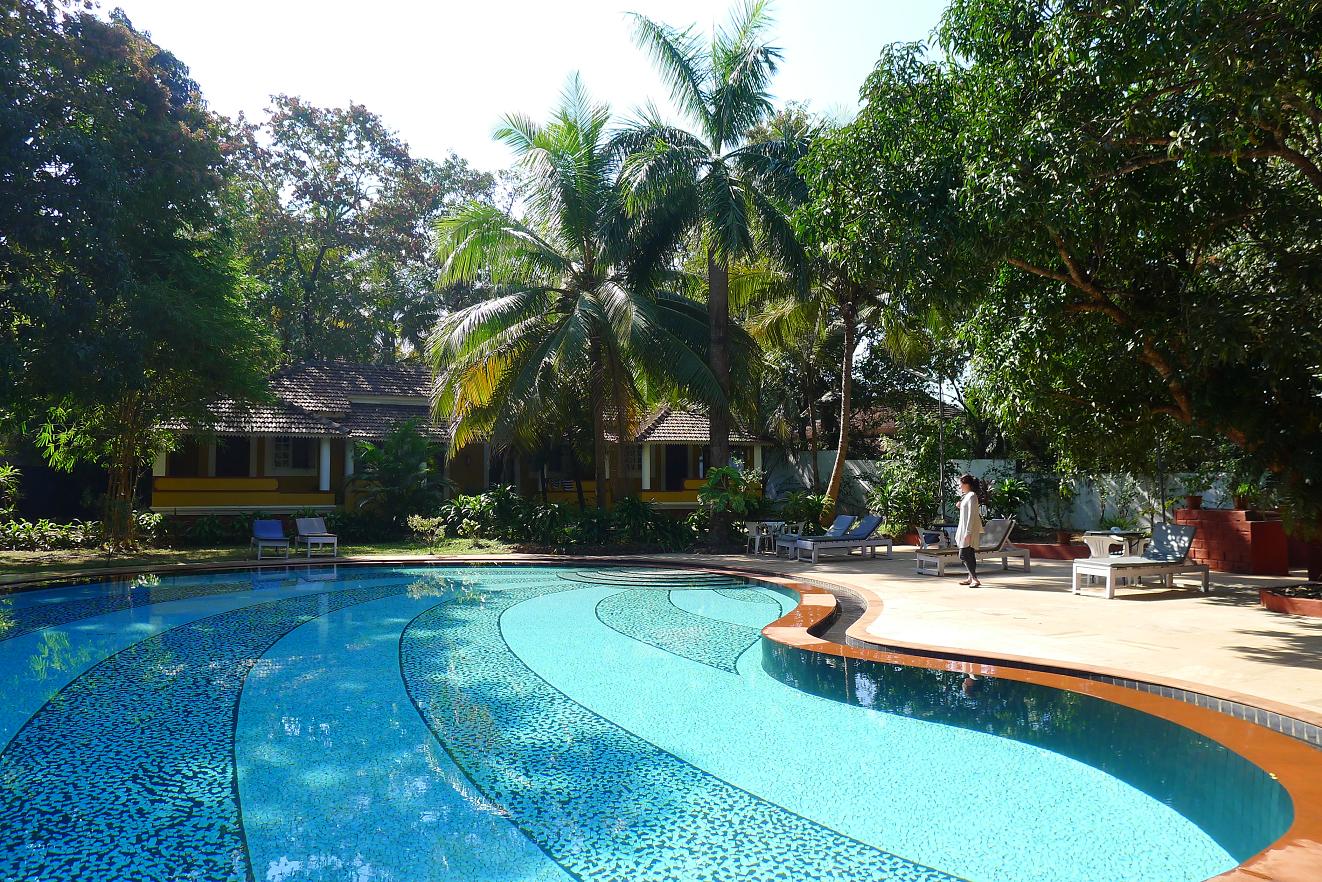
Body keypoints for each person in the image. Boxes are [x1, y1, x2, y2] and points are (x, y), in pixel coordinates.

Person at [955, 473, 986, 587]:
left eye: (961, 484)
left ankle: (974, 579)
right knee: (970, 553)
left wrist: (968, 533)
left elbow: (971, 515)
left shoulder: (972, 496)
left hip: (969, 529)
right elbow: (966, 509)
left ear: (967, 484)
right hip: (965, 528)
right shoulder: (967, 496)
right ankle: (970, 577)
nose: (960, 487)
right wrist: (960, 505)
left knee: (963, 554)